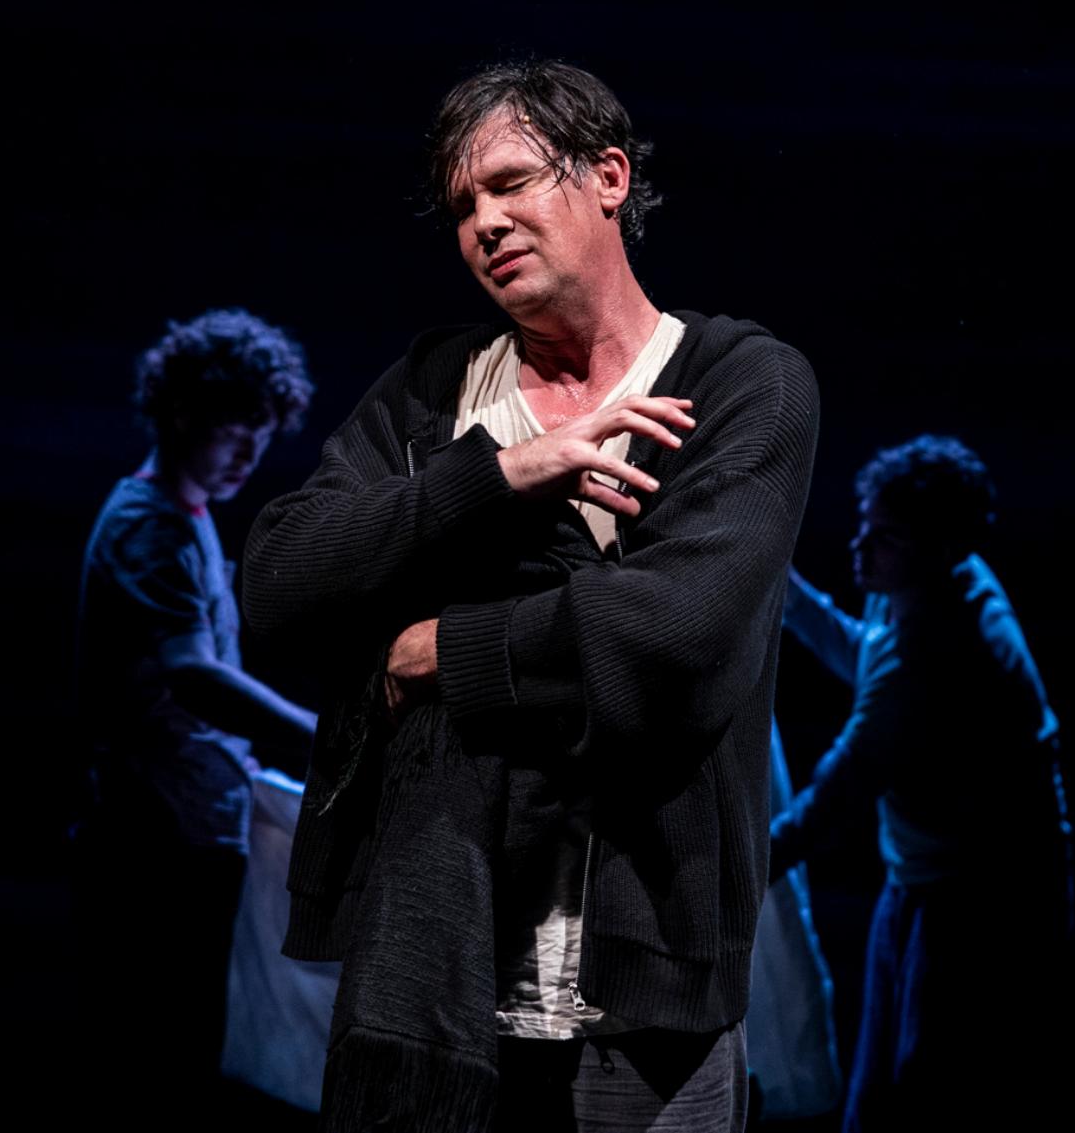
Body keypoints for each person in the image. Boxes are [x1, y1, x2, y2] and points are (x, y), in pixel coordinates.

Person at [242, 60, 820, 1132]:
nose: (486, 224)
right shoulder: (435, 394)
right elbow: (278, 583)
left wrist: (436, 653)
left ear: (609, 177)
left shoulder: (739, 382)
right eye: (464, 206)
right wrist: (499, 473)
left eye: (511, 183)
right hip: (435, 985)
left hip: (643, 993)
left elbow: (674, 638)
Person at [773, 434, 1073, 1130]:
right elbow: (870, 658)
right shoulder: (931, 583)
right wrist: (785, 594)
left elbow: (836, 793)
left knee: (929, 1091)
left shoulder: (939, 647)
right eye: (866, 525)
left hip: (985, 901)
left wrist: (739, 871)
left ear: (938, 548)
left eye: (886, 538)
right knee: (886, 1079)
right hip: (926, 879)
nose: (860, 547)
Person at [71, 308, 319, 1078]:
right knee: (162, 1046)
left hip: (191, 827)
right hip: (154, 838)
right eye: (234, 429)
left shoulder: (189, 518)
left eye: (261, 433)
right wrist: (322, 733)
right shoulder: (149, 528)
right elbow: (194, 675)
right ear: (182, 412)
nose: (250, 451)